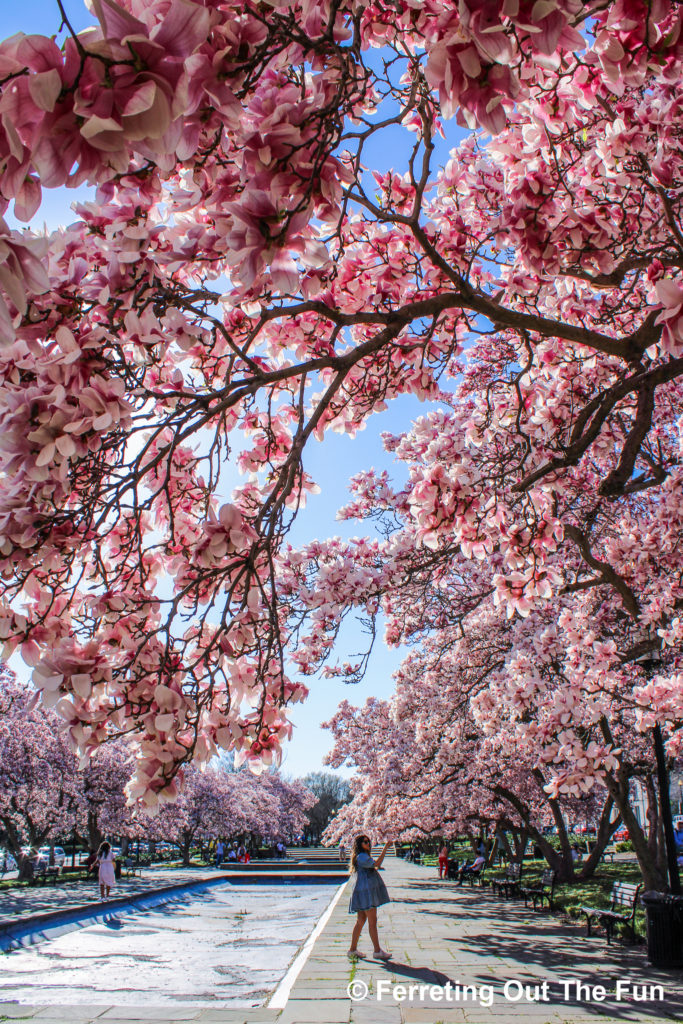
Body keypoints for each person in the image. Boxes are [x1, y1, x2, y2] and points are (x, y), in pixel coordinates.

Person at [348, 836, 392, 961]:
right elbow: (377, 864)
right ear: (360, 844)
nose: (368, 843)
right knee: (372, 922)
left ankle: (352, 949)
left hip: (362, 891)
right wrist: (385, 849)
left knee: (361, 920)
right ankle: (377, 951)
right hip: (367, 892)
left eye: (368, 841)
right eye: (365, 842)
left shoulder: (362, 856)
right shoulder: (362, 856)